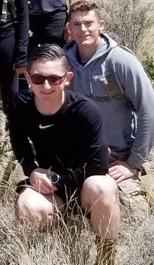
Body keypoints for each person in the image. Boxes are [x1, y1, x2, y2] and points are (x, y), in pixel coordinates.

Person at [7, 44, 119, 264]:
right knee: (27, 205)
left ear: (67, 78)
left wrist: (59, 179)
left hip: (85, 182)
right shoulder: (20, 105)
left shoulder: (85, 111)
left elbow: (99, 164)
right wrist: (31, 171)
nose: (46, 85)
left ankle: (106, 255)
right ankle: (41, 254)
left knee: (102, 186)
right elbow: (19, 144)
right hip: (49, 186)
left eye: (54, 79)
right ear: (28, 77)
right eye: (38, 78)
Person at [65, 0, 154, 220]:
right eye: (77, 24)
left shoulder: (120, 60)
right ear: (69, 28)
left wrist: (133, 163)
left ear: (101, 25)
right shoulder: (63, 61)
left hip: (119, 158)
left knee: (134, 218)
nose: (83, 29)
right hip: (80, 157)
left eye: (88, 23)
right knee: (65, 213)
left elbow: (148, 109)